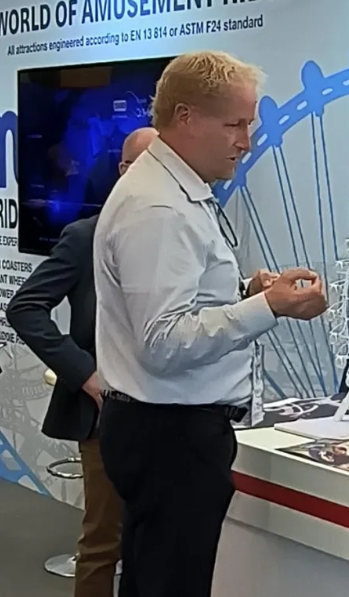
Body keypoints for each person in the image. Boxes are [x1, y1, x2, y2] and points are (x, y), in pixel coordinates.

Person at [92, 51, 328, 597]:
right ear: (186, 118)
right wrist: (269, 307)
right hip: (170, 436)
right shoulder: (159, 208)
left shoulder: (172, 192)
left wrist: (246, 292)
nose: (245, 141)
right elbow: (162, 342)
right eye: (235, 125)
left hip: (166, 431)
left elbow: (179, 301)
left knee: (157, 579)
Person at [6, 126, 158, 597]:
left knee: (155, 544)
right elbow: (25, 307)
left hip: (171, 413)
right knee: (103, 541)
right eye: (146, 165)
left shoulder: (182, 239)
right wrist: (86, 374)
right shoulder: (85, 237)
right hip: (107, 417)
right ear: (123, 170)